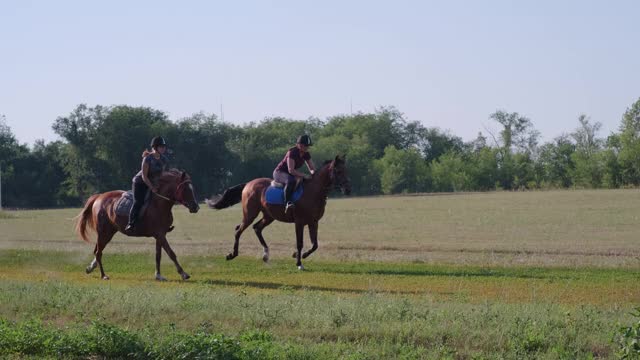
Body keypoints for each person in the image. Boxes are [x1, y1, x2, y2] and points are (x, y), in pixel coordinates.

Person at [125, 136, 170, 231]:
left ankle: (164, 224)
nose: (163, 148)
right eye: (161, 146)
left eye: (164, 146)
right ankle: (131, 223)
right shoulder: (147, 159)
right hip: (140, 183)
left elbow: (162, 174)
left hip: (154, 182)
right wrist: (152, 188)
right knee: (139, 202)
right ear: (155, 147)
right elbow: (144, 176)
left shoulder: (164, 159)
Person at [273, 134, 316, 212]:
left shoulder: (306, 154)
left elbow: (312, 168)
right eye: (305, 145)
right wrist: (304, 175)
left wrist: (314, 174)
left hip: (290, 174)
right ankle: (287, 203)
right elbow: (291, 170)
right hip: (279, 173)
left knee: (306, 181)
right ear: (299, 145)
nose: (307, 147)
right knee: (291, 181)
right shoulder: (292, 153)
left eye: (308, 146)